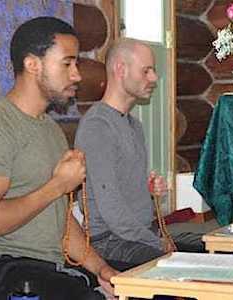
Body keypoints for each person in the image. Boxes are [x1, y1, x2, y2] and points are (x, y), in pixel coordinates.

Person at [0, 17, 118, 300]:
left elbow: (60, 218)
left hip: (49, 270)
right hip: (1, 270)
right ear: (33, 64)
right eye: (67, 63)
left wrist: (104, 270)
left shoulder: (50, 129)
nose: (77, 75)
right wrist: (57, 186)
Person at [75, 38, 178, 266]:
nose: (153, 78)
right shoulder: (98, 126)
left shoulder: (134, 125)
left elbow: (125, 189)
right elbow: (111, 208)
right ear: (120, 69)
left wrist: (148, 189)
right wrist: (154, 243)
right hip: (109, 242)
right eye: (146, 71)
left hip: (137, 237)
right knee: (171, 268)